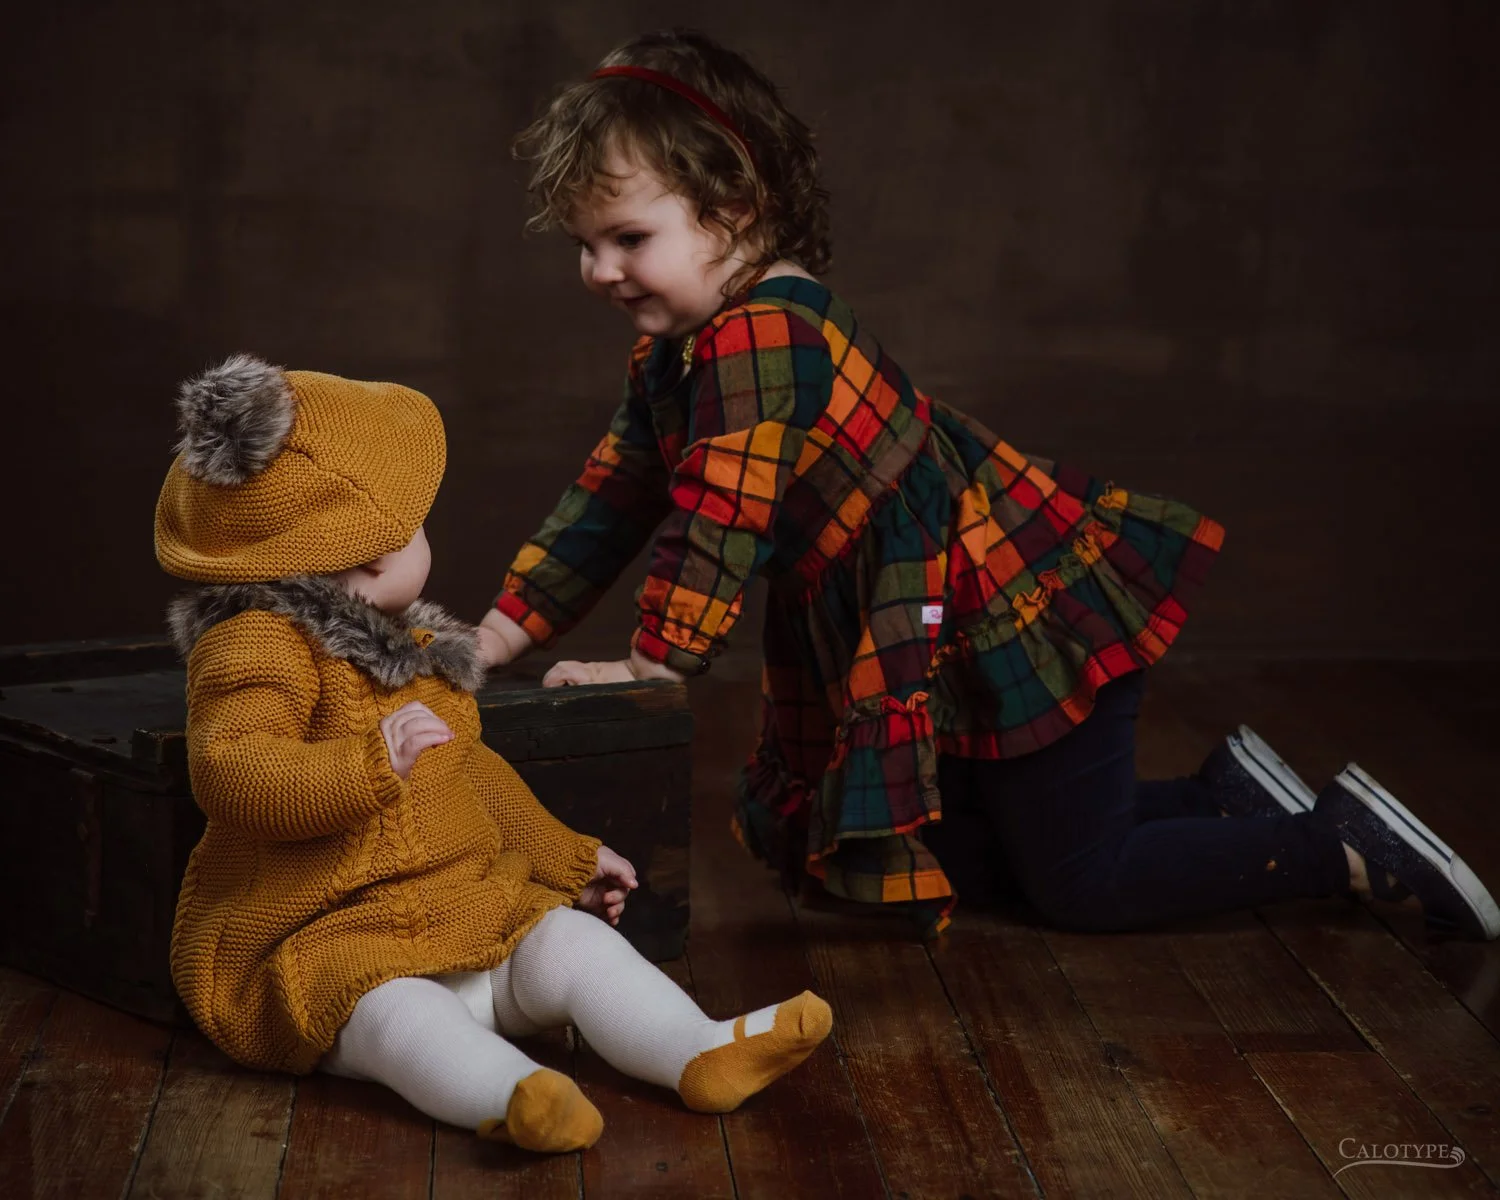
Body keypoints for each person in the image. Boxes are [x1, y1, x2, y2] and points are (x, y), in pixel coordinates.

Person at [475, 29, 1498, 943]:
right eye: (584, 246)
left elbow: (722, 514)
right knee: (929, 845)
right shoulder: (678, 360)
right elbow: (608, 501)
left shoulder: (762, 334)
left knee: (1082, 887)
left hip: (1006, 616)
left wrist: (657, 661)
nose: (600, 272)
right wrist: (500, 633)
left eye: (629, 239)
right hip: (932, 624)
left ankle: (1339, 846)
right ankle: (1220, 799)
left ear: (735, 210)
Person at [153, 353, 833, 1155]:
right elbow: (234, 771)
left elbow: (476, 777)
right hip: (333, 947)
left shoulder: (410, 652)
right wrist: (367, 765)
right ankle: (513, 1097)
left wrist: (567, 860)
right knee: (401, 1018)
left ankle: (694, 1050)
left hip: (463, 918)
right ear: (373, 556)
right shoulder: (255, 649)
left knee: (574, 944)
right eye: (412, 526)